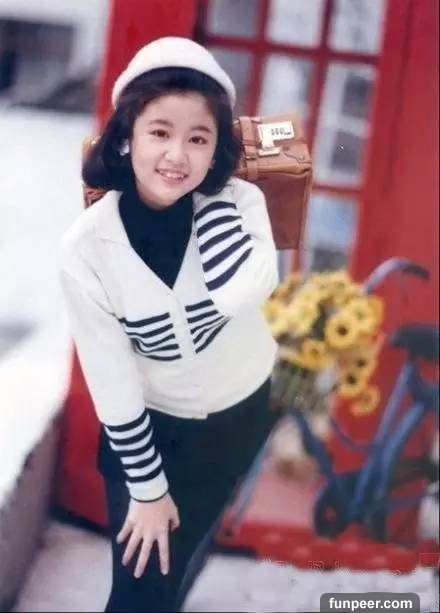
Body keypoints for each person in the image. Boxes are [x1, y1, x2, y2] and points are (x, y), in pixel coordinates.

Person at [59, 36, 279, 612]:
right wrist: (149, 489)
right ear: (126, 136)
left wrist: (217, 202)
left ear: (216, 149)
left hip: (240, 414)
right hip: (148, 430)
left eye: (198, 139)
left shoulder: (241, 205)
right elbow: (110, 377)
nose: (177, 155)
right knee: (140, 592)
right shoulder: (87, 249)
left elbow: (247, 291)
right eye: (159, 132)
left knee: (183, 559)